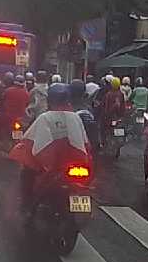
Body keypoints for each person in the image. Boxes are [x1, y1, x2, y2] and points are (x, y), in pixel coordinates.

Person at [8, 82, 92, 216]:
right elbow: (85, 142)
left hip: (51, 165)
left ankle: (27, 205)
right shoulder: (75, 117)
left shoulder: (45, 117)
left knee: (26, 173)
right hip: (74, 162)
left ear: (50, 99)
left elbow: (33, 142)